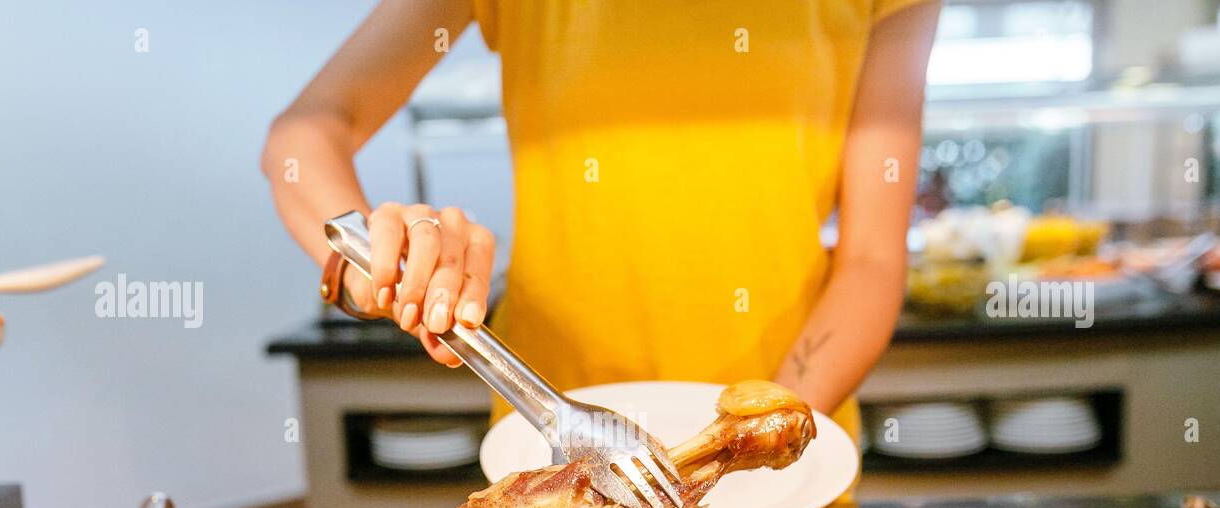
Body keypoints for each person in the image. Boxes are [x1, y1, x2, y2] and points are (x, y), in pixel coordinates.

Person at [263, 0, 940, 438]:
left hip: (790, 437)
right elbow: (303, 135)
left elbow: (872, 260)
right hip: (556, 446)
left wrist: (746, 442)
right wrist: (371, 261)